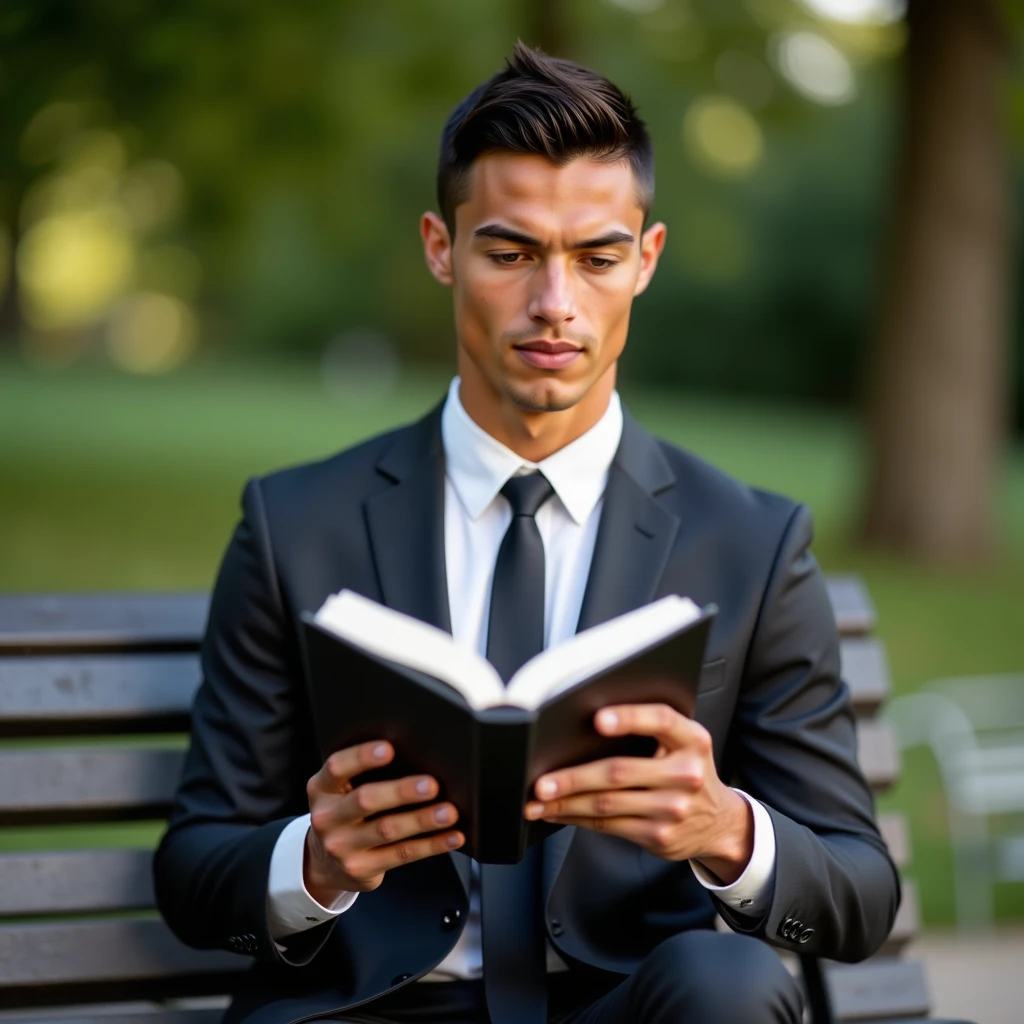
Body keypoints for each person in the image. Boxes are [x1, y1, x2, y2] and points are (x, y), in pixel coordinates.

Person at [154, 43, 900, 1024]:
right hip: (370, 1010)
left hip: (618, 1006)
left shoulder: (751, 544)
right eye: (510, 253)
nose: (555, 304)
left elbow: (857, 891)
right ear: (439, 247)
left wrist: (724, 829)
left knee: (730, 985)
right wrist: (314, 860)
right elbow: (195, 866)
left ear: (646, 259)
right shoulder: (294, 525)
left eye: (595, 257)